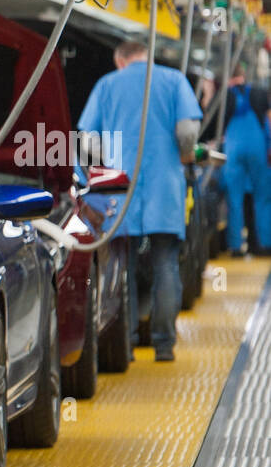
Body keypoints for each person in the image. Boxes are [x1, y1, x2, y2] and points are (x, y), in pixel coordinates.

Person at [78, 40, 202, 363]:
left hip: (120, 190)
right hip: (165, 188)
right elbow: (189, 131)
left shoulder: (107, 85)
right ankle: (163, 344)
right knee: (165, 263)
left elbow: (87, 140)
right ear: (146, 55)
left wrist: (91, 179)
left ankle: (127, 342)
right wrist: (185, 153)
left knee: (123, 267)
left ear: (120, 60)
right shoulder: (173, 80)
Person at [215, 65, 271, 254]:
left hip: (233, 148)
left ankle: (235, 246)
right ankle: (265, 243)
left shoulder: (224, 96)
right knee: (263, 198)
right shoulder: (259, 93)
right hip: (258, 148)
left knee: (234, 199)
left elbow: (212, 124)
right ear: (243, 76)